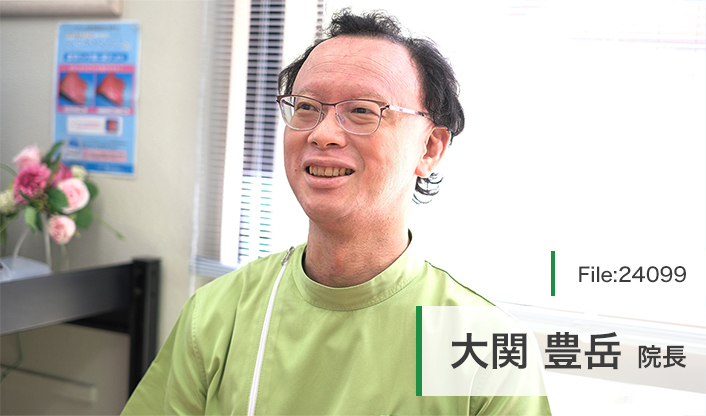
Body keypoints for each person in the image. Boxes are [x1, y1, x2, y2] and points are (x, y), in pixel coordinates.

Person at [122, 9, 551, 415]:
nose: (323, 133)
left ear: (430, 148)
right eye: (306, 107)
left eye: (362, 110)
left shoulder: (475, 342)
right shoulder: (219, 314)